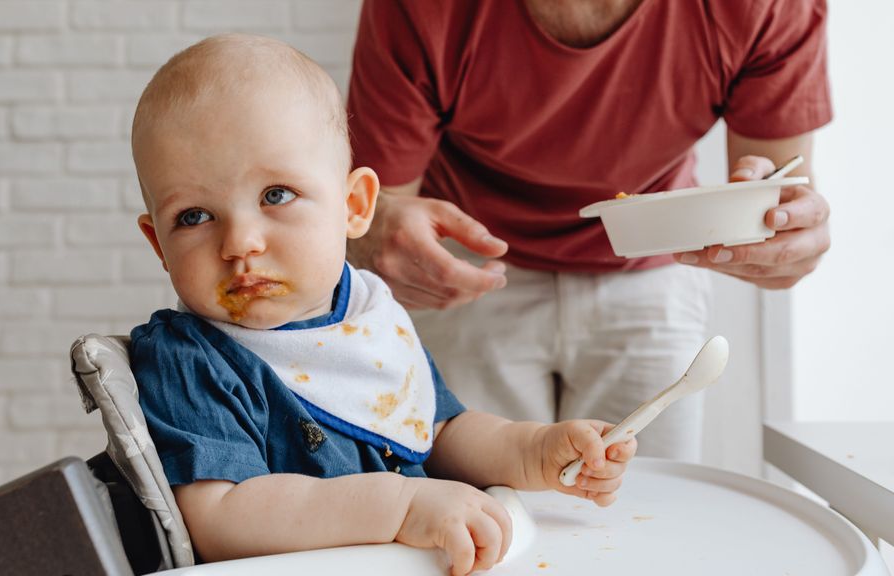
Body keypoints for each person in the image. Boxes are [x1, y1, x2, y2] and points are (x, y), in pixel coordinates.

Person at [127, 34, 637, 575]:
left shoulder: (367, 319)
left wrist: (534, 450)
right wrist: (401, 506)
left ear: (354, 206)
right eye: (193, 217)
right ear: (159, 244)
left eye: (275, 195)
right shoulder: (191, 358)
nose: (240, 242)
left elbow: (438, 433)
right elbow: (222, 520)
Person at [346, 0, 832, 461]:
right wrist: (369, 231)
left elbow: (776, 190)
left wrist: (783, 234)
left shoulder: (765, 8)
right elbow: (379, 203)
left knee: (649, 503)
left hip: (651, 264)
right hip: (469, 262)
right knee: (473, 507)